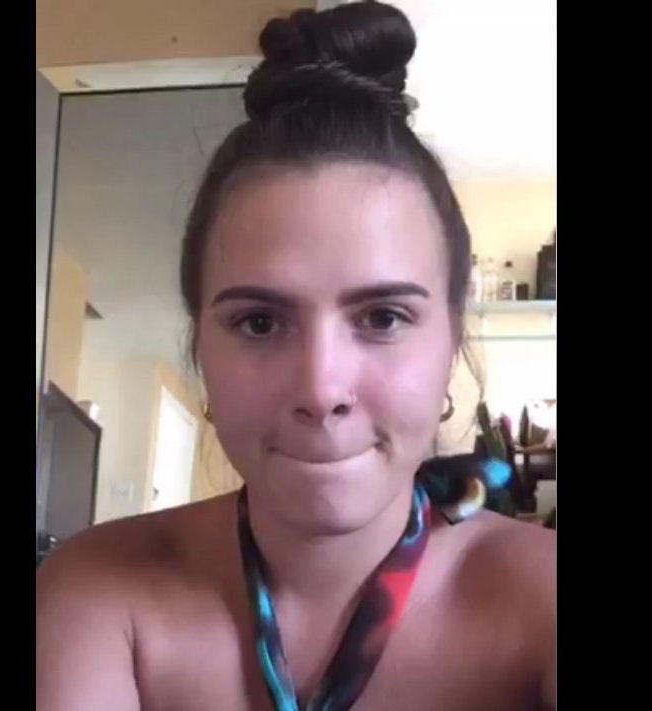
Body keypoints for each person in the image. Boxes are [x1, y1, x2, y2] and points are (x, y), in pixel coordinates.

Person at [36, 2, 555, 710]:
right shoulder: (95, 593)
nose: (320, 387)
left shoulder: (542, 601)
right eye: (259, 322)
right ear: (201, 348)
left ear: (450, 342)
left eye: (382, 317)